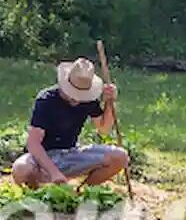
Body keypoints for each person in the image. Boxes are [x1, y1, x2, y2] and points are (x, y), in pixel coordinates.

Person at [12, 57, 130, 188]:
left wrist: (109, 103)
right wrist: (54, 173)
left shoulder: (88, 99)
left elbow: (103, 129)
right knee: (21, 169)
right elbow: (33, 143)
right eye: (74, 93)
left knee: (120, 156)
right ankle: (37, 194)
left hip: (71, 153)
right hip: (42, 158)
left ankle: (83, 192)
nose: (77, 99)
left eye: (81, 94)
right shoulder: (46, 100)